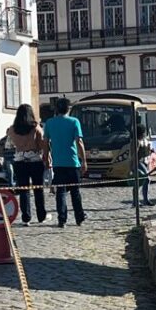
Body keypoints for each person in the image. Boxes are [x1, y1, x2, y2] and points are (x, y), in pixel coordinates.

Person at [44, 97, 87, 227]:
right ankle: (79, 217)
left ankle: (62, 219)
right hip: (72, 161)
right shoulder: (74, 122)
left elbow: (45, 143)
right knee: (75, 191)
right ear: (68, 109)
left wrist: (46, 158)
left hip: (58, 162)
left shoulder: (50, 123)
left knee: (61, 191)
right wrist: (84, 160)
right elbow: (79, 142)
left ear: (57, 109)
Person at [7, 104, 48, 225]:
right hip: (35, 160)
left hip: (20, 161)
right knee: (38, 189)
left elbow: (9, 145)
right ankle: (41, 215)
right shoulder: (35, 128)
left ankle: (26, 217)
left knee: (23, 190)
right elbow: (42, 145)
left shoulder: (12, 129)